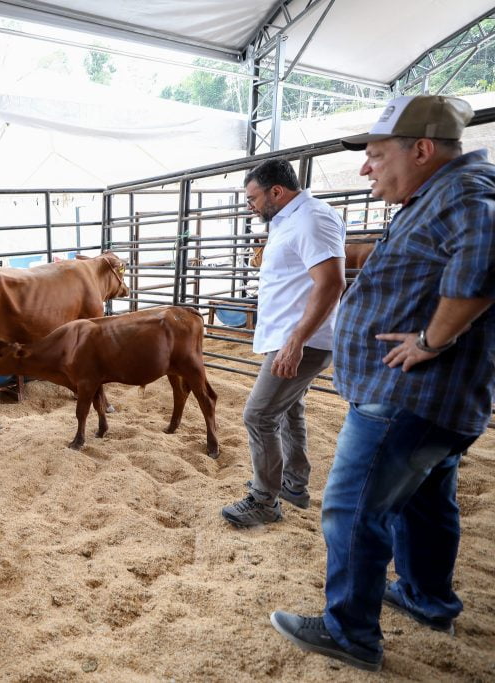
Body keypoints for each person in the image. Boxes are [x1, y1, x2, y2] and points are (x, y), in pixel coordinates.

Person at [269, 94, 495, 671]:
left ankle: (349, 633)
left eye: (374, 155)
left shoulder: (465, 193)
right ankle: (428, 597)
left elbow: (481, 270)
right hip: (432, 402)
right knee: (425, 500)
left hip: (408, 396)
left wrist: (430, 341)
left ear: (421, 149)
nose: (367, 168)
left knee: (350, 507)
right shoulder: (438, 194)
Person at [221, 159, 346, 528]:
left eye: (253, 197)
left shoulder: (311, 219)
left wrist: (296, 342)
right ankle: (292, 484)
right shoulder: (289, 219)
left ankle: (264, 500)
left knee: (258, 415)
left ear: (277, 191)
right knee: (289, 410)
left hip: (301, 339)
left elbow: (331, 283)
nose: (250, 205)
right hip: (290, 335)